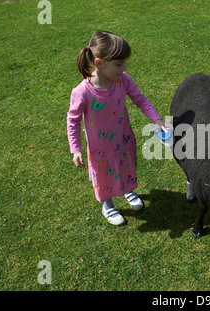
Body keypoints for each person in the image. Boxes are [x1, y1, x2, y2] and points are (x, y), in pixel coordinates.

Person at [67, 31, 167, 225]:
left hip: (123, 139)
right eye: (119, 64)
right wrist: (76, 149)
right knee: (104, 176)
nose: (124, 68)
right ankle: (108, 205)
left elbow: (140, 99)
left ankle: (128, 190)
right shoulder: (82, 92)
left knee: (125, 166)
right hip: (100, 148)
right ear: (99, 63)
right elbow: (73, 120)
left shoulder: (123, 80)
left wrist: (156, 119)